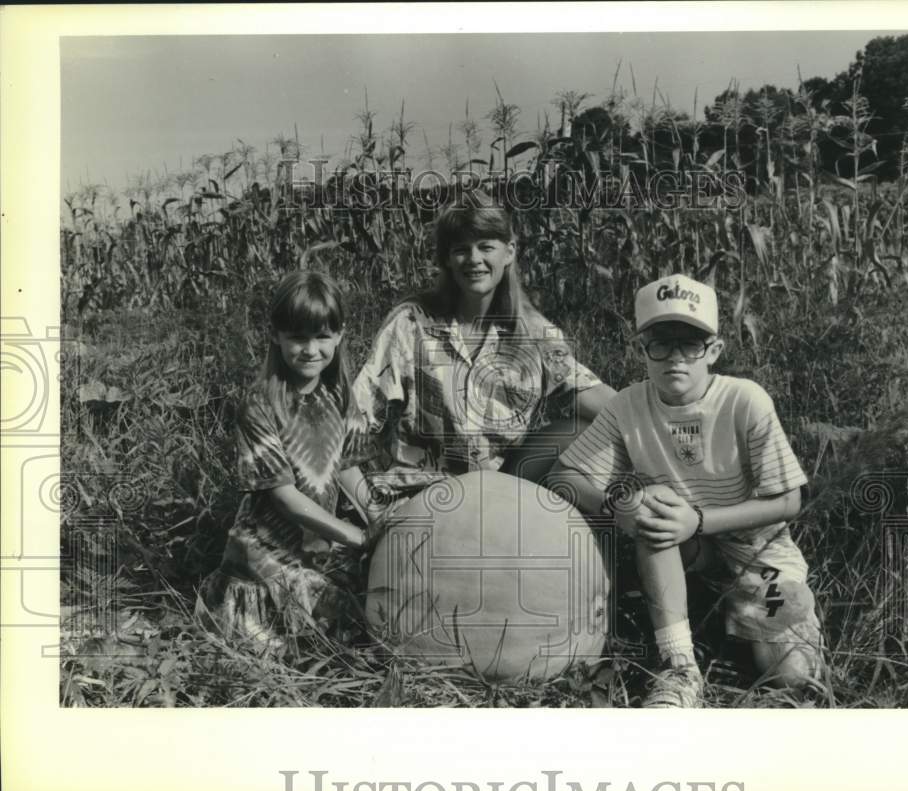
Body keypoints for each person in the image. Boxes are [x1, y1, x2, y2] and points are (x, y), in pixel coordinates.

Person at [548, 273, 824, 707]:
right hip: (685, 548)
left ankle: (737, 614)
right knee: (649, 506)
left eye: (690, 343)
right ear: (642, 348)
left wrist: (699, 520)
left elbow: (789, 501)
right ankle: (679, 667)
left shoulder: (744, 400)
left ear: (713, 350)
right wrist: (618, 505)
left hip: (755, 554)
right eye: (661, 342)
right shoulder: (628, 406)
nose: (675, 357)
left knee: (789, 678)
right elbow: (563, 475)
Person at [349, 188, 616, 510]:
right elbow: (355, 418)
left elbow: (607, 406)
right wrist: (369, 508)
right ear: (447, 258)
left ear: (510, 252)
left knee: (576, 431)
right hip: (419, 497)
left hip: (498, 495)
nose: (474, 259)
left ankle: (607, 523)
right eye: (461, 249)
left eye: (486, 246)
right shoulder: (411, 323)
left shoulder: (534, 334)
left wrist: (672, 425)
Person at [195, 269, 374, 650]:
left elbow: (348, 468)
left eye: (323, 336)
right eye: (298, 337)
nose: (311, 350)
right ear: (276, 335)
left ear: (340, 336)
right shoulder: (260, 404)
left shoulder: (340, 397)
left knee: (371, 603)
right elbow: (284, 497)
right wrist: (356, 535)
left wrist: (379, 519)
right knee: (312, 634)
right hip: (266, 550)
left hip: (319, 543)